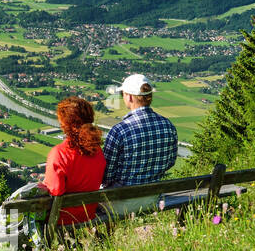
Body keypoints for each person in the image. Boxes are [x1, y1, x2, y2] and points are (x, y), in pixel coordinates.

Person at [102, 73, 178, 187]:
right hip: (154, 197)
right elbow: (170, 162)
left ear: (129, 97)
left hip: (120, 199)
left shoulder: (119, 131)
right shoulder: (168, 125)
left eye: (123, 94)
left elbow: (106, 174)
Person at [43, 97, 106, 226]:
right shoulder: (97, 151)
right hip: (87, 217)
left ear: (65, 124)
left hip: (62, 221)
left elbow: (55, 191)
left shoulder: (59, 153)